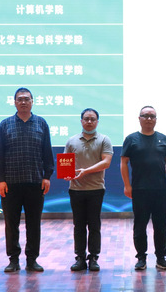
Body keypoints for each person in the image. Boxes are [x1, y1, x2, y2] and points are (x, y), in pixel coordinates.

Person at [0, 87, 54, 273]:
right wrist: (0, 179)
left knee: (34, 223)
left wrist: (47, 176)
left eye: (27, 99)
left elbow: (47, 153)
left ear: (32, 102)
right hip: (10, 184)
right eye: (20, 99)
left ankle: (32, 260)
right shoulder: (5, 125)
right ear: (14, 102)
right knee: (11, 224)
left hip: (35, 182)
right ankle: (13, 260)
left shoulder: (41, 124)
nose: (23, 102)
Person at [120, 106, 166, 271]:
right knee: (140, 225)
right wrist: (127, 185)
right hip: (139, 189)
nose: (149, 119)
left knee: (160, 225)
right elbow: (123, 162)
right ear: (139, 118)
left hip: (160, 189)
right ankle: (141, 257)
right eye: (146, 116)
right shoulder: (131, 139)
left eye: (152, 116)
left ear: (156, 119)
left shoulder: (163, 138)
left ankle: (161, 258)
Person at [64, 108, 113, 272]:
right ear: (81, 121)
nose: (89, 122)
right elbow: (65, 164)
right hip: (75, 189)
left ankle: (93, 257)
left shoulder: (104, 140)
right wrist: (66, 174)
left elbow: (106, 162)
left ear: (97, 122)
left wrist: (85, 171)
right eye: (86, 119)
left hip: (96, 189)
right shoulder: (71, 141)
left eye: (93, 119)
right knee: (78, 225)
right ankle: (79, 257)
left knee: (94, 225)